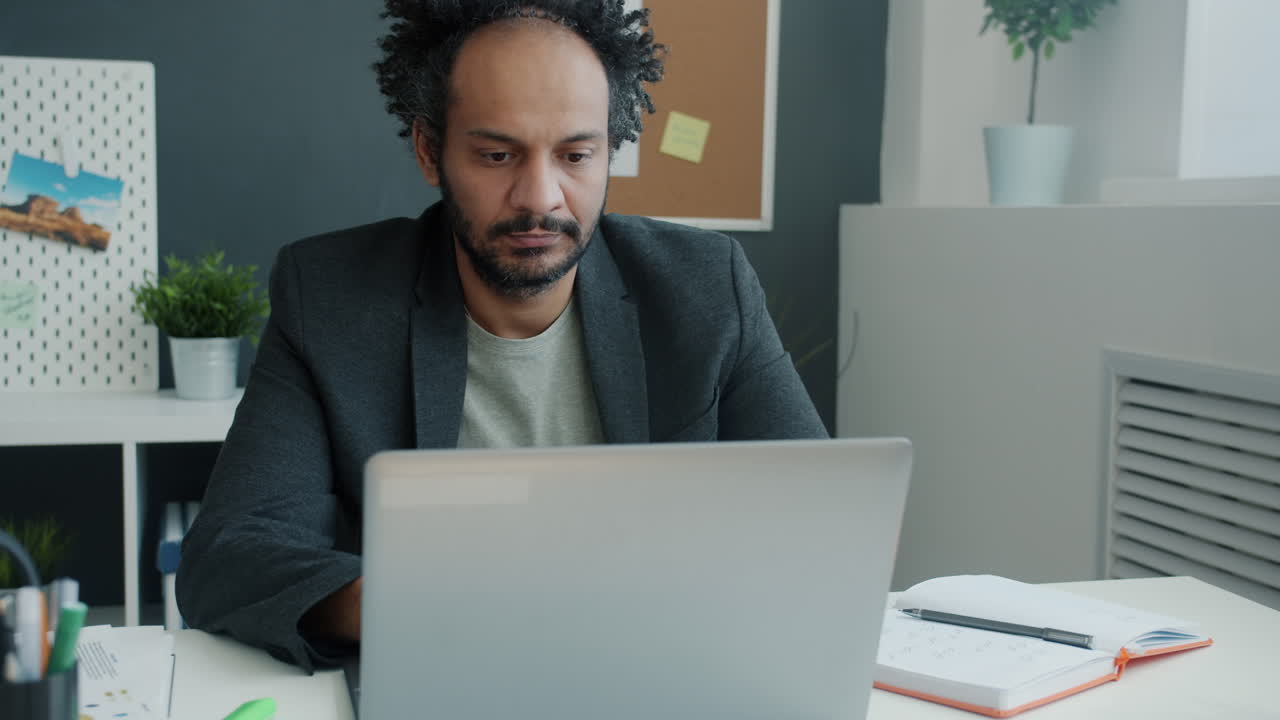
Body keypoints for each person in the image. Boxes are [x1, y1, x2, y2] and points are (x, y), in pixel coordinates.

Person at [177, 0, 827, 671]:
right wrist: (403, 606)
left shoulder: (705, 288)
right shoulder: (332, 298)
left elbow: (822, 520)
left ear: (609, 151)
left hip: (661, 667)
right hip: (440, 667)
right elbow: (228, 553)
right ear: (429, 151)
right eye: (496, 154)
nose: (540, 197)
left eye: (576, 155)